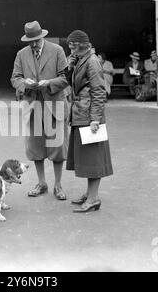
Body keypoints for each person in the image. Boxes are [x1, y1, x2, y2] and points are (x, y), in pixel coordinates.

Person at [10, 21, 69, 200]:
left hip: (54, 103)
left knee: (57, 146)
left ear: (42, 36)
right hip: (33, 105)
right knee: (36, 147)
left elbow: (66, 77)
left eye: (36, 40)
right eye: (30, 41)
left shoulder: (57, 50)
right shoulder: (21, 54)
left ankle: (58, 185)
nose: (34, 44)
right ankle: (41, 183)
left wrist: (49, 83)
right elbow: (15, 78)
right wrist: (24, 85)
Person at [65, 30, 113, 213]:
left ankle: (93, 199)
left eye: (72, 46)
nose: (70, 49)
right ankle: (89, 193)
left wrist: (95, 119)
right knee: (86, 158)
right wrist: (70, 68)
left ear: (80, 45)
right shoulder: (80, 60)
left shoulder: (92, 62)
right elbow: (73, 84)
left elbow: (99, 91)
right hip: (81, 114)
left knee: (92, 159)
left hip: (88, 118)